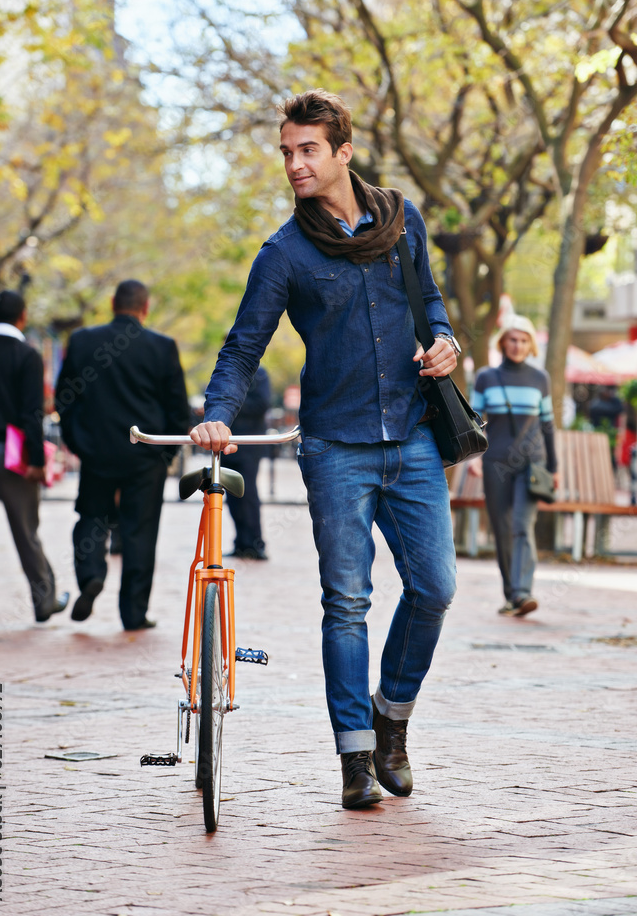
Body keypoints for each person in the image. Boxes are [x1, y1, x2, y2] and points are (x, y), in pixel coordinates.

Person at [190, 89, 459, 810]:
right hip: (334, 450)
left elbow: (430, 303)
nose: (294, 164)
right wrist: (217, 416)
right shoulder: (283, 252)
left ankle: (391, 719)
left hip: (411, 439)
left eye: (307, 149)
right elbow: (242, 348)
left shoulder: (403, 223)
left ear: (343, 151)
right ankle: (354, 759)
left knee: (434, 588)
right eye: (286, 151)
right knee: (346, 601)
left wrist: (445, 341)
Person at [55, 280, 190, 631]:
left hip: (96, 451)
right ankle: (133, 613)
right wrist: (167, 453)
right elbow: (177, 408)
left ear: (113, 303)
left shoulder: (83, 341)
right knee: (140, 531)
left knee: (91, 517)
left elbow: (64, 399)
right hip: (145, 453)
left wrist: (77, 442)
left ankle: (91, 576)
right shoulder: (162, 347)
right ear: (145, 308)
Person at [0, 290, 69, 628]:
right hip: (11, 457)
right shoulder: (25, 356)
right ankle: (44, 601)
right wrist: (38, 463)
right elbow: (31, 413)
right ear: (23, 316)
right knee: (27, 531)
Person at [470, 315, 558, 617]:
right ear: (503, 342)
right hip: (495, 463)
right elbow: (473, 423)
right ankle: (512, 595)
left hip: (531, 464)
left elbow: (548, 425)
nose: (518, 345)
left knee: (522, 525)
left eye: (523, 340)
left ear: (530, 344)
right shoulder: (485, 377)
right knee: (502, 529)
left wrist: (554, 467)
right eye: (512, 339)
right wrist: (474, 460)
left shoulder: (540, 378)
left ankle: (523, 593)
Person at [221, 364, 272, 560]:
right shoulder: (225, 372)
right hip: (228, 443)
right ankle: (241, 543)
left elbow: (262, 403)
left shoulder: (259, 373)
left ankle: (255, 544)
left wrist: (229, 405)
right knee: (233, 496)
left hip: (249, 443)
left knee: (248, 494)